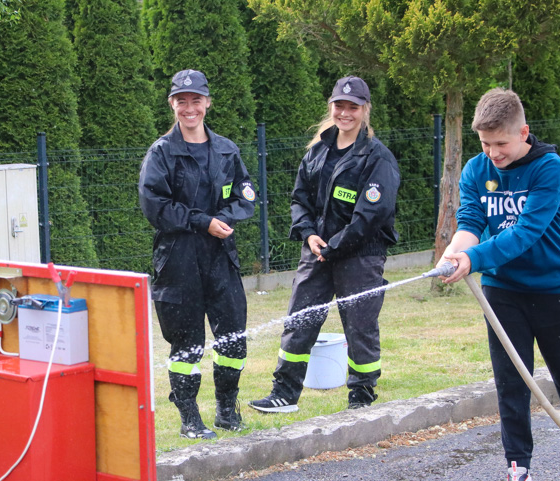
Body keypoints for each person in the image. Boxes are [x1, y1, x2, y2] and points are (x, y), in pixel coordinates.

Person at [438, 87, 560, 481]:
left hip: (554, 290)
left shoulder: (549, 168)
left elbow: (524, 234)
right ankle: (518, 469)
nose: (493, 153)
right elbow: (471, 221)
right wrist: (455, 252)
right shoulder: (476, 169)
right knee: (511, 383)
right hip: (502, 294)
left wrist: (473, 257)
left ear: (524, 133)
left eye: (501, 143)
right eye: (485, 144)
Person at [249, 76, 399, 414]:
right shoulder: (317, 152)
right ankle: (284, 394)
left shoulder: (377, 158)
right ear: (331, 107)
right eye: (339, 105)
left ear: (364, 110)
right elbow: (299, 199)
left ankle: (361, 398)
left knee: (360, 327)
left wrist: (333, 245)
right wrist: (308, 234)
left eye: (353, 107)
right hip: (316, 254)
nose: (345, 113)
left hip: (360, 257)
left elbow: (371, 215)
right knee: (299, 320)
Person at [139, 69, 256, 440]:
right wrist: (202, 221)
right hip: (178, 258)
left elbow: (246, 195)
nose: (189, 108)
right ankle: (189, 417)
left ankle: (226, 410)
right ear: (172, 104)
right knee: (186, 341)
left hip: (221, 255)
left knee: (233, 338)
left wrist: (224, 218)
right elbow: (154, 205)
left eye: (196, 100)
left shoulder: (226, 149)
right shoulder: (161, 152)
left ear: (207, 103)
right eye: (181, 101)